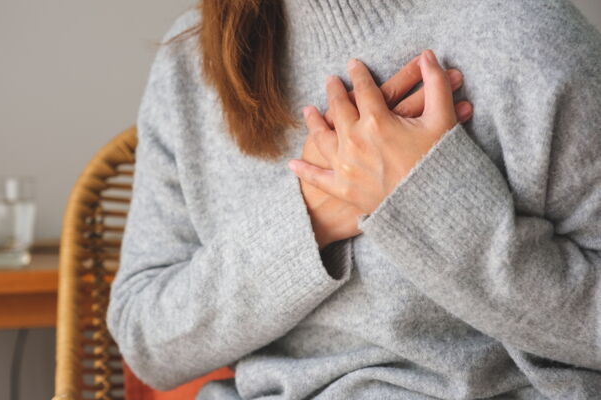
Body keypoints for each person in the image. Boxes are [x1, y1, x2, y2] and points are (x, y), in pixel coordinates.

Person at [106, 1, 601, 399]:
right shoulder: (192, 62)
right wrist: (308, 216)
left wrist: (428, 200)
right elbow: (146, 340)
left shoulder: (521, 33)